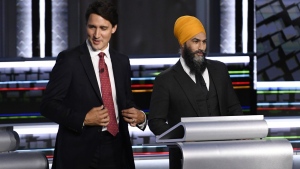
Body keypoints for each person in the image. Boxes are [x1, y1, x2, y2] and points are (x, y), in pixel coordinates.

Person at [41, 1, 146, 169]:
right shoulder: (69, 60)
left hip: (117, 149)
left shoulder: (122, 62)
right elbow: (47, 105)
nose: (97, 34)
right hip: (79, 153)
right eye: (92, 27)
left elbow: (126, 103)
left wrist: (140, 117)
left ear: (114, 28)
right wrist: (83, 119)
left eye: (103, 28)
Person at [148, 15, 243, 169]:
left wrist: (243, 134)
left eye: (204, 42)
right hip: (185, 159)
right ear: (182, 43)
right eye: (195, 41)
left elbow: (233, 108)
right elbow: (155, 121)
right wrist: (183, 138)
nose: (201, 48)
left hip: (224, 157)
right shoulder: (165, 80)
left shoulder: (220, 70)